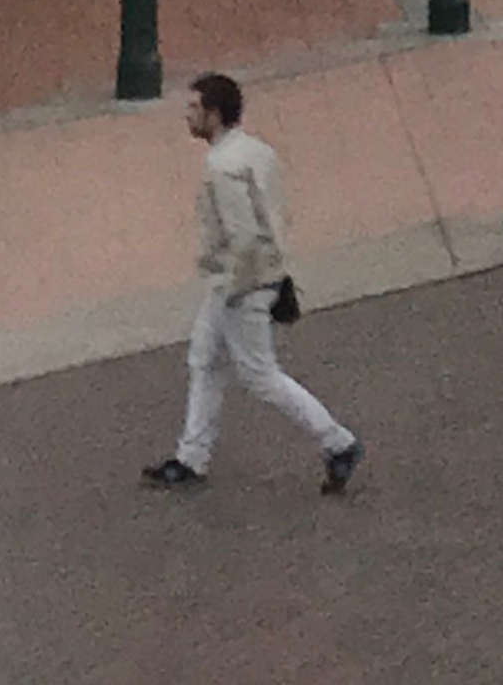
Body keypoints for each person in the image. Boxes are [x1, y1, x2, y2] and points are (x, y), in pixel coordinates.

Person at [144, 71, 359, 496]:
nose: (187, 116)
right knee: (205, 359)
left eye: (194, 108)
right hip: (253, 278)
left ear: (213, 113)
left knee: (259, 374)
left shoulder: (220, 167)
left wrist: (237, 287)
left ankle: (338, 442)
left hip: (239, 284)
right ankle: (191, 456)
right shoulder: (256, 152)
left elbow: (242, 236)